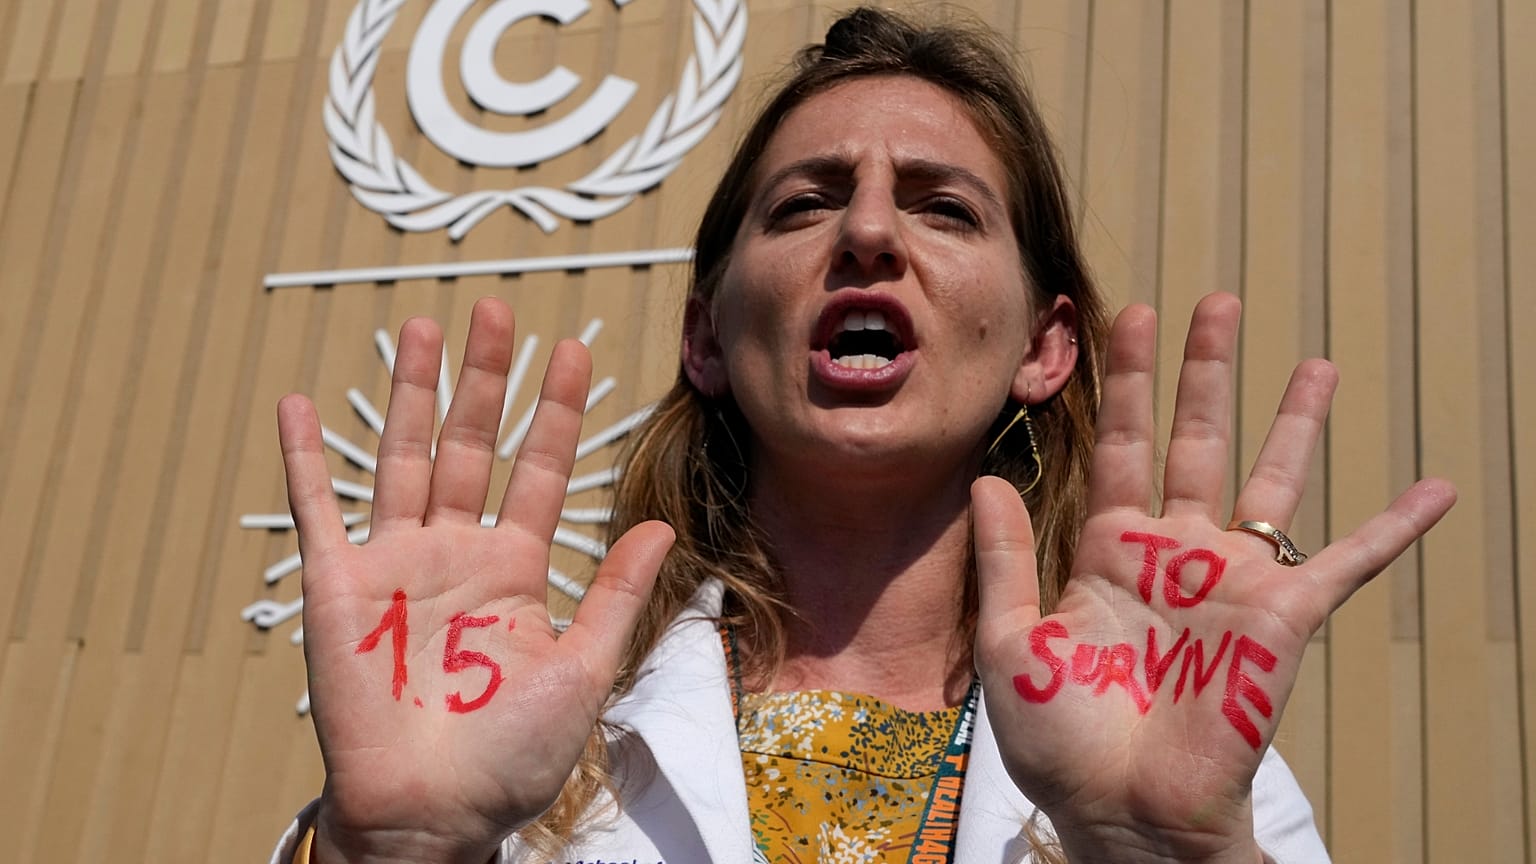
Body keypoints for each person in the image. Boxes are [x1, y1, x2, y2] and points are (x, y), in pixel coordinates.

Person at [270, 8, 1455, 863]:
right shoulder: (525, 758)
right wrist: (394, 852)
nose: (871, 229)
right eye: (805, 203)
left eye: (945, 205)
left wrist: (1166, 859)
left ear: (1045, 348)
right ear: (707, 338)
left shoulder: (1191, 770)